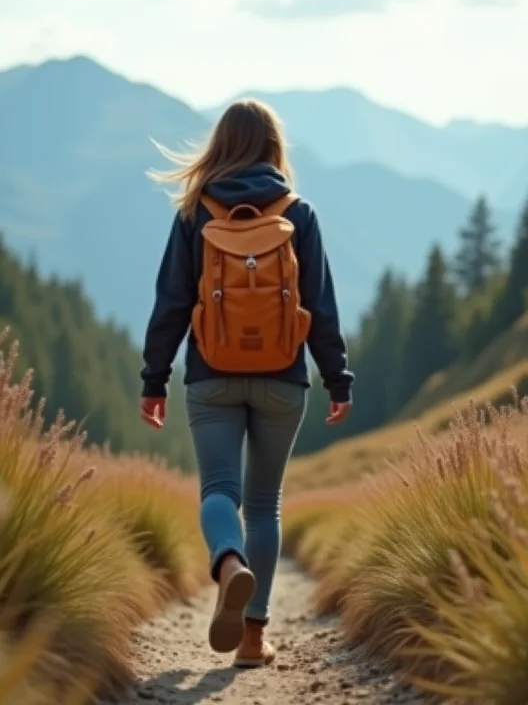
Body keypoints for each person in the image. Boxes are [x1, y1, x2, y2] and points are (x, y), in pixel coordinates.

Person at [140, 98, 354, 668]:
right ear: (273, 146)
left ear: (220, 146)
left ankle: (229, 562)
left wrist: (154, 380)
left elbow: (171, 303)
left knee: (219, 492)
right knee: (263, 505)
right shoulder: (298, 214)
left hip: (212, 376)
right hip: (283, 379)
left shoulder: (196, 212)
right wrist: (338, 379)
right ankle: (253, 641)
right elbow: (321, 307)